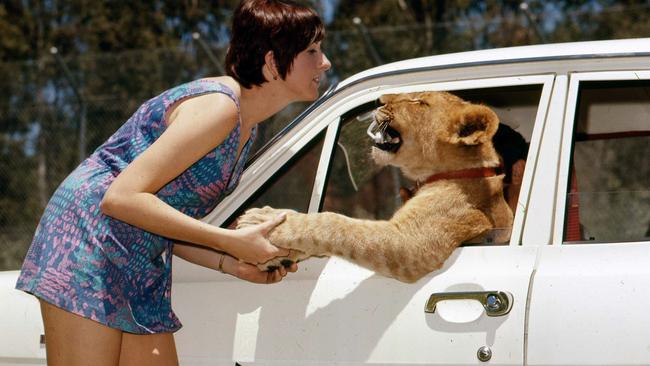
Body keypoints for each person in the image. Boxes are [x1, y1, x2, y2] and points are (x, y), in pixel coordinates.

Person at [15, 0, 331, 364]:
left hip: (139, 259)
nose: (325, 62)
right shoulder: (220, 108)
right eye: (313, 50)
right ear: (274, 62)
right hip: (86, 243)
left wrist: (230, 263)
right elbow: (120, 198)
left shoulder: (247, 126)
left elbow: (162, 216)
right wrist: (230, 242)